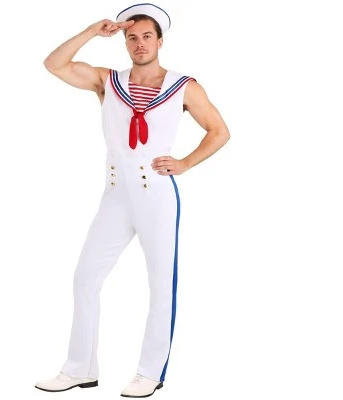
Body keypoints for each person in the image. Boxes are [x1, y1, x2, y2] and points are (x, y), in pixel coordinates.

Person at [35, 2, 230, 398]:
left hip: (156, 194)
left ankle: (149, 373)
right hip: (115, 195)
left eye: (146, 37)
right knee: (85, 278)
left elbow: (219, 131)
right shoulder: (108, 81)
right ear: (124, 42)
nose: (139, 44)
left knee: (160, 284)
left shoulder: (184, 86)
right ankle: (80, 368)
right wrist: (92, 31)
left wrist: (184, 163)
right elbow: (54, 64)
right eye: (132, 37)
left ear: (159, 41)